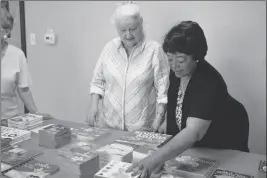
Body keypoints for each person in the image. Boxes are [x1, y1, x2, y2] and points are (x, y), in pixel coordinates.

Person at [127, 21, 249, 178]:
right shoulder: (177, 74)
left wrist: (152, 160)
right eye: (170, 59)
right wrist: (161, 154)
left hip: (225, 143)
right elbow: (175, 114)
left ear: (196, 56)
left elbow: (193, 132)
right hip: (197, 149)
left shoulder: (208, 81)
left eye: (180, 59)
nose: (174, 65)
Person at [85, 2, 169, 132]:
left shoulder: (154, 50)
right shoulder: (109, 48)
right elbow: (98, 82)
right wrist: (93, 107)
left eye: (133, 28)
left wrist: (159, 119)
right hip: (109, 126)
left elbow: (163, 90)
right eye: (123, 30)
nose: (128, 35)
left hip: (142, 128)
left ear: (141, 24)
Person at [0, 5, 52, 121]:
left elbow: (23, 90)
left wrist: (36, 113)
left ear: (6, 30)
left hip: (9, 121)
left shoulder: (17, 55)